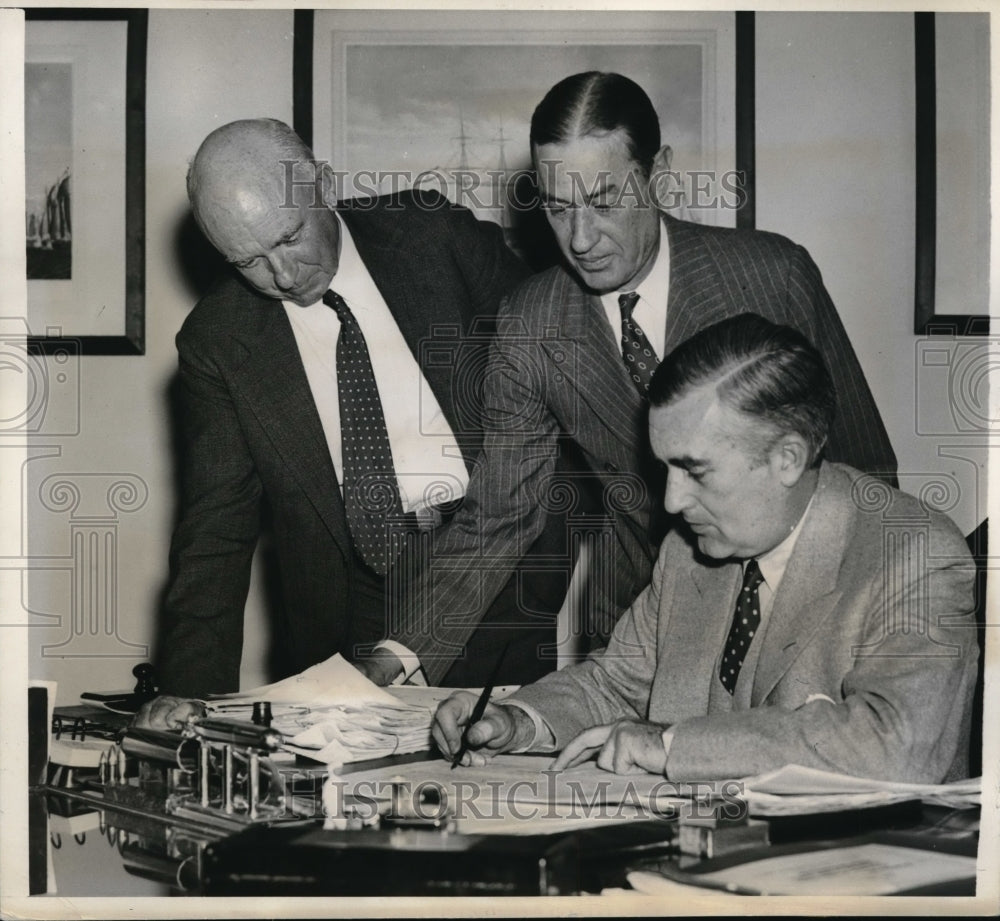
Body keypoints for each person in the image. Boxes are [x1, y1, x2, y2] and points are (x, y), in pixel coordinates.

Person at [359, 72, 898, 687]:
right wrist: (399, 655)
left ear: (658, 174)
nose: (581, 240)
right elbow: (498, 517)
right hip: (636, 634)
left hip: (792, 622)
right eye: (559, 209)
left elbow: (868, 474)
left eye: (605, 202)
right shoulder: (531, 321)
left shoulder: (772, 277)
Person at [136, 118, 580, 729]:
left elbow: (561, 371)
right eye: (248, 261)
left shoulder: (434, 237)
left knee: (493, 777)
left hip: (490, 569)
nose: (284, 277)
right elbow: (216, 529)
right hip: (343, 606)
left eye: (289, 237)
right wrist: (189, 691)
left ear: (321, 180)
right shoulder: (217, 342)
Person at [432, 314, 978, 783]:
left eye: (694, 470)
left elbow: (899, 744)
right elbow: (614, 683)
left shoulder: (915, 554)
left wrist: (672, 746)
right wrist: (518, 720)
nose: (671, 501)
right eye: (665, 468)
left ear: (787, 458)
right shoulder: (691, 551)